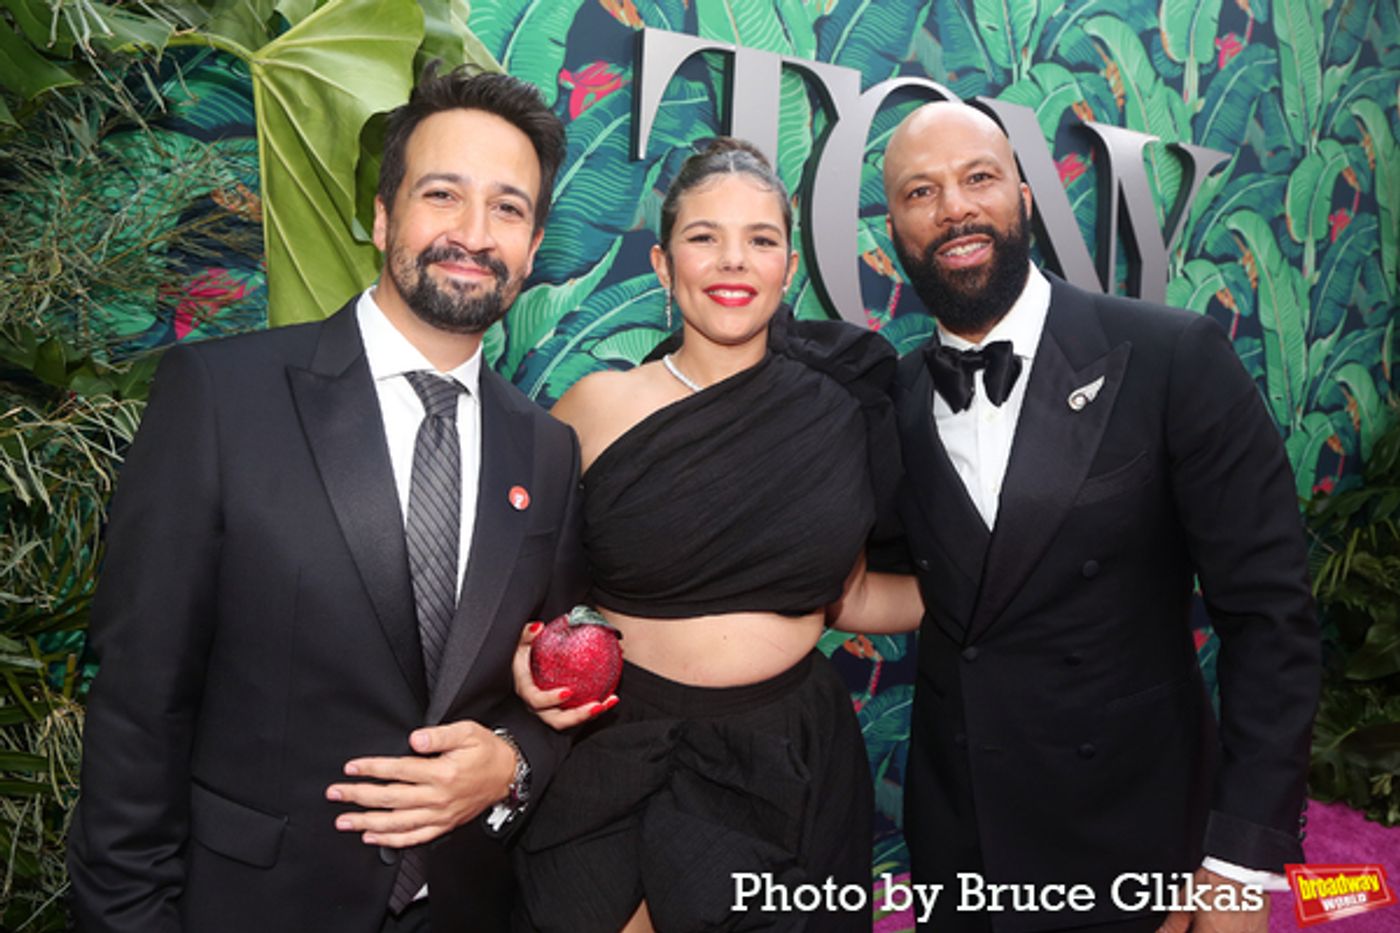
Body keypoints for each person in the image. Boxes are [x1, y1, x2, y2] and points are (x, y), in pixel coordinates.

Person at [67, 67, 587, 933]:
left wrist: (512, 763)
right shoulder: (222, 398)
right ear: (383, 216)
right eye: (442, 194)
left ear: (534, 246)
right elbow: (136, 705)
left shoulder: (548, 449)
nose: (472, 233)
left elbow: (545, 688)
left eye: (508, 208)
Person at [877, 101, 1320, 932]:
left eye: (978, 178)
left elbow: (1270, 617)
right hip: (958, 850)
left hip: (1134, 845)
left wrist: (1237, 863)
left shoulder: (1172, 355)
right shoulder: (894, 397)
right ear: (895, 227)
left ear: (1024, 193)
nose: (954, 208)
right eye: (920, 191)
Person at [510, 137, 903, 933]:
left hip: (786, 754)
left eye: (760, 240)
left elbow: (851, 593)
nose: (734, 262)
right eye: (704, 237)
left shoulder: (840, 412)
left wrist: (1007, 587)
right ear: (661, 264)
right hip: (617, 744)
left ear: (788, 267)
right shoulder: (596, 405)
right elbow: (518, 585)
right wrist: (519, 663)